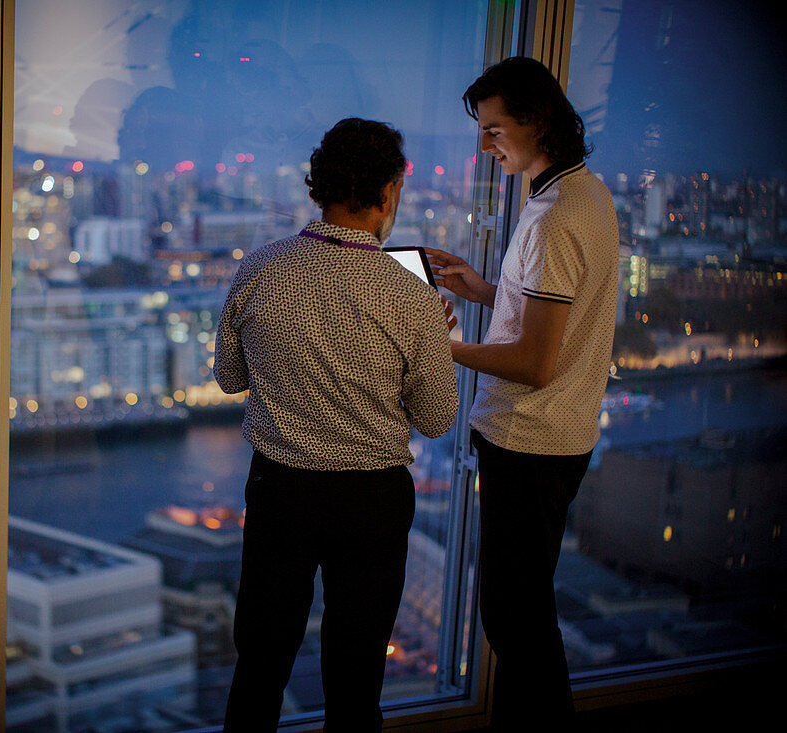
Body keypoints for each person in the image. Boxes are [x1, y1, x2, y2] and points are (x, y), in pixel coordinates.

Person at [214, 117, 459, 731]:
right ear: (389, 194)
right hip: (371, 501)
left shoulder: (260, 269)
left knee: (262, 661)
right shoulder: (411, 296)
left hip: (282, 490)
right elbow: (435, 418)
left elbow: (230, 378)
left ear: (317, 189)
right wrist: (430, 343)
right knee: (355, 678)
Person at [425, 57, 620, 728]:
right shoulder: (584, 195)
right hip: (562, 433)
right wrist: (485, 290)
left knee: (516, 622)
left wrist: (437, 348)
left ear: (536, 120)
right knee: (524, 614)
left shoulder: (550, 219)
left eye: (494, 129)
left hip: (527, 438)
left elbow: (536, 362)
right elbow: (554, 321)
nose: (485, 146)